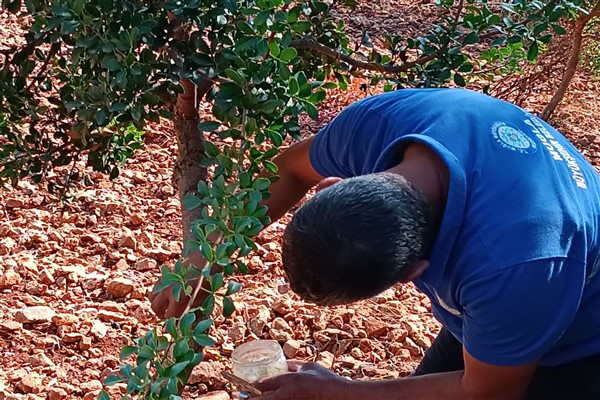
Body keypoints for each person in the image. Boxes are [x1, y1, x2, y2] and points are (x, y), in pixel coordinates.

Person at [151, 88, 600, 399]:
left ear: (415, 272)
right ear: (330, 185)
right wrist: (206, 259)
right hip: (513, 292)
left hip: (579, 343)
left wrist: (339, 393)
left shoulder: (513, 268)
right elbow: (288, 168)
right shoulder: (378, 126)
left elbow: (486, 391)